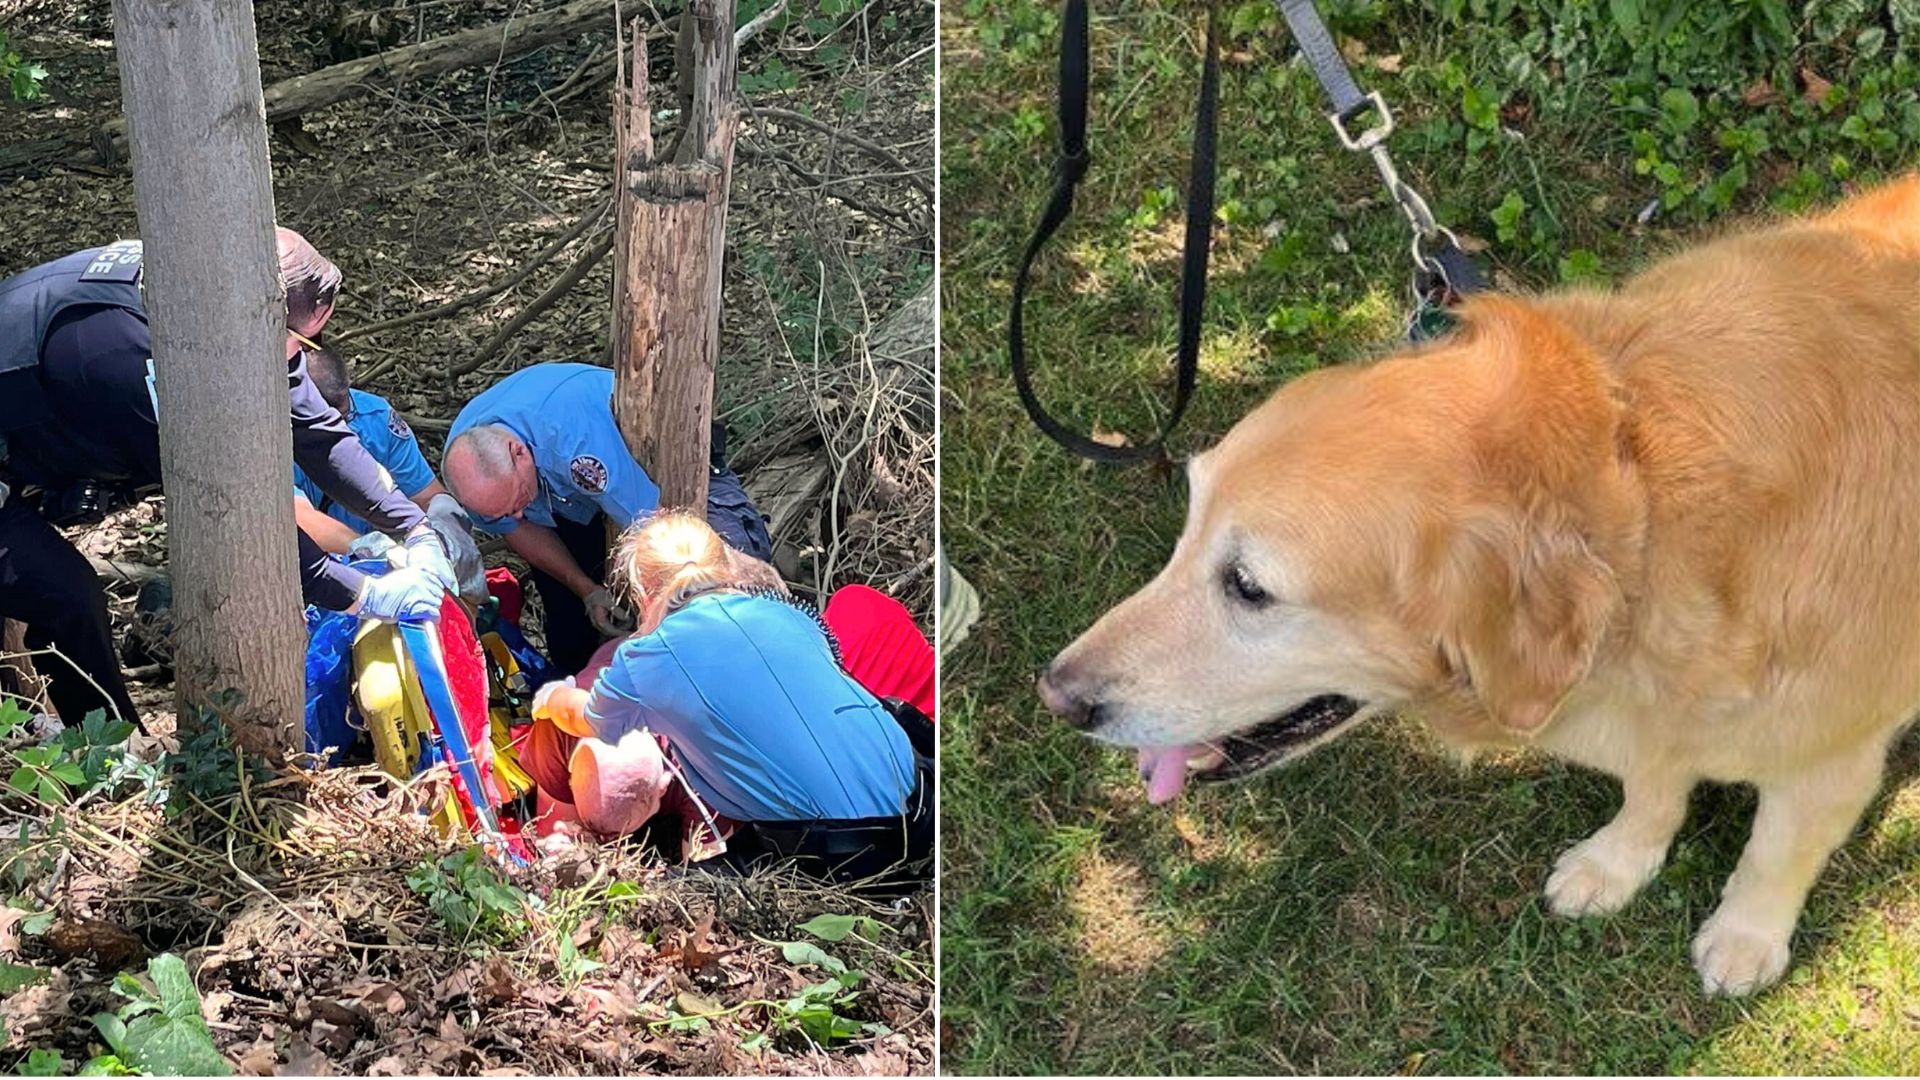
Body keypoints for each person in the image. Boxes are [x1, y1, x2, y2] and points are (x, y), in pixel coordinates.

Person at [0, 229, 457, 728]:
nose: (302, 354)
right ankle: (109, 755)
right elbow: (231, 511)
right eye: (302, 340)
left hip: (35, 434)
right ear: (258, 315)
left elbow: (318, 433)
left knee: (61, 597)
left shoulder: (213, 304)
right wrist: (362, 594)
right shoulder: (141, 361)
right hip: (23, 430)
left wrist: (414, 528)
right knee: (68, 597)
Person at [527, 513, 932, 884]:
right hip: (919, 803)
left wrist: (553, 697)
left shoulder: (651, 656)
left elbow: (585, 717)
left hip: (837, 849)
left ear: (644, 594)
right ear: (724, 568)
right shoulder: (788, 614)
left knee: (662, 895)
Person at [444, 362, 773, 673]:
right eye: (503, 512)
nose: (516, 514)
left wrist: (654, 627)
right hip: (561, 493)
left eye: (517, 502)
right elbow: (520, 528)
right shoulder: (472, 479)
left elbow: (661, 530)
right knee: (570, 627)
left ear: (520, 454)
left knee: (723, 572)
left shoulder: (576, 445)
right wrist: (587, 589)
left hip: (659, 445)